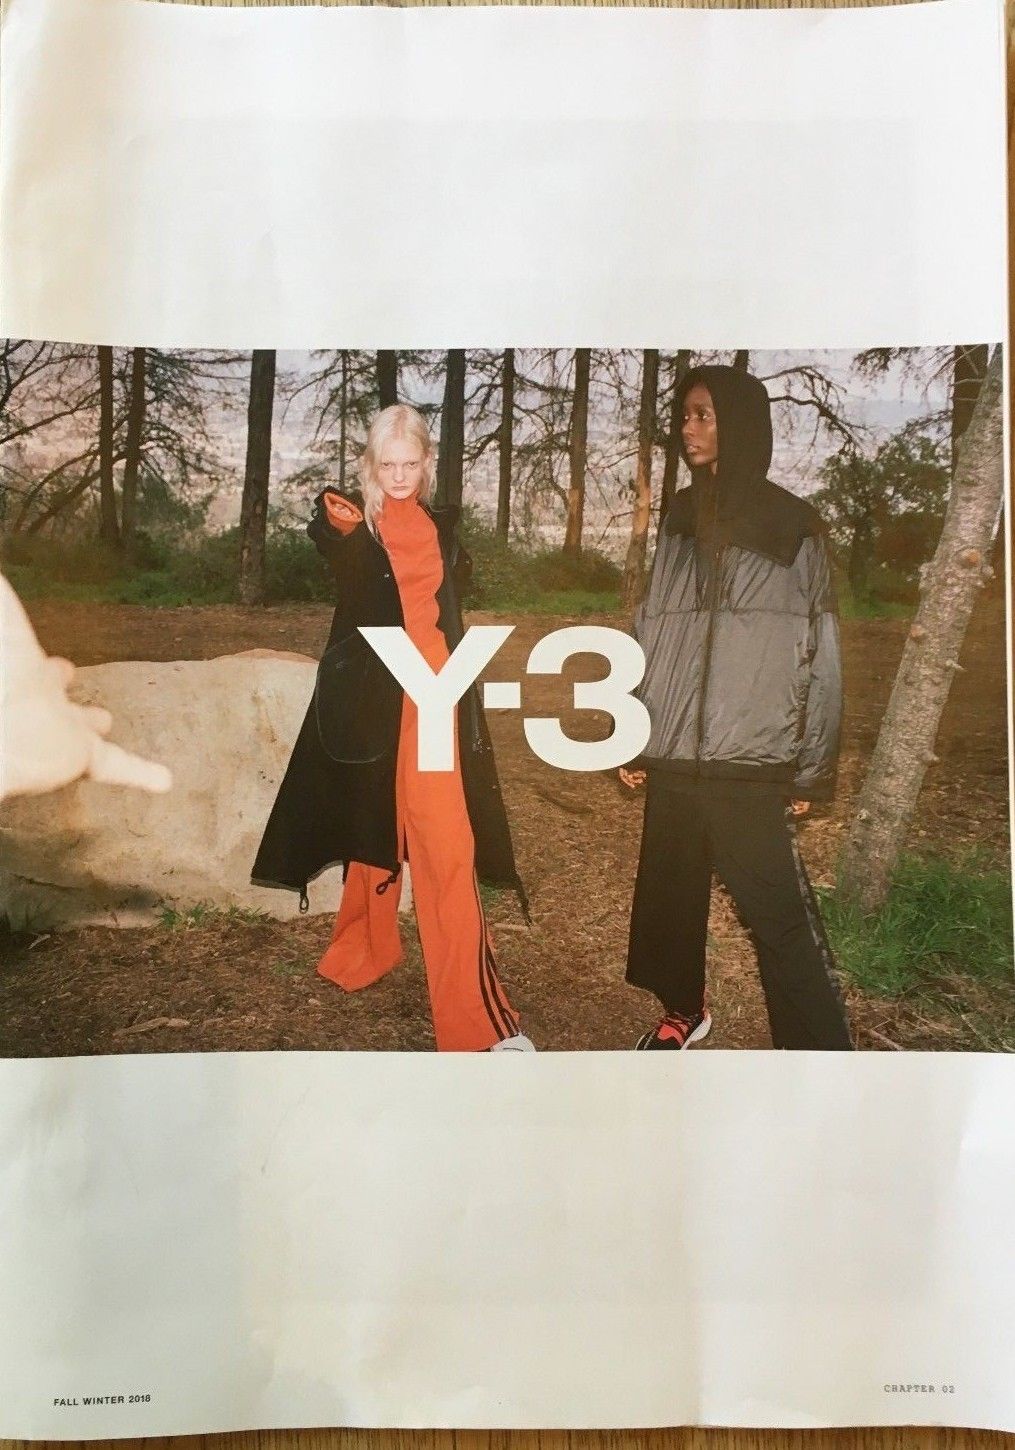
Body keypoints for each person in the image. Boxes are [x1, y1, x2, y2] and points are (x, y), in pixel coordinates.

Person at [251, 404, 534, 1053]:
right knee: (374, 822)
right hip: (376, 704)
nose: (400, 476)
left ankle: (477, 1022)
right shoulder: (359, 527)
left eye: (410, 463)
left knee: (447, 847)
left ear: (427, 463)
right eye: (388, 465)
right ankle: (364, 947)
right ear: (370, 466)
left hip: (434, 700)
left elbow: (446, 605)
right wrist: (339, 524)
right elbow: (332, 536)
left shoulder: (438, 527)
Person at [620, 364, 853, 1051]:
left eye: (703, 415)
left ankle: (818, 1053)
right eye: (684, 415)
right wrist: (632, 732)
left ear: (740, 424)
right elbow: (651, 629)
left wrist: (811, 768)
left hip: (750, 755)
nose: (687, 428)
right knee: (670, 895)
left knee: (777, 915)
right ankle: (682, 1009)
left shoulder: (793, 524)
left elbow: (821, 650)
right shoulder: (678, 516)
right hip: (672, 749)